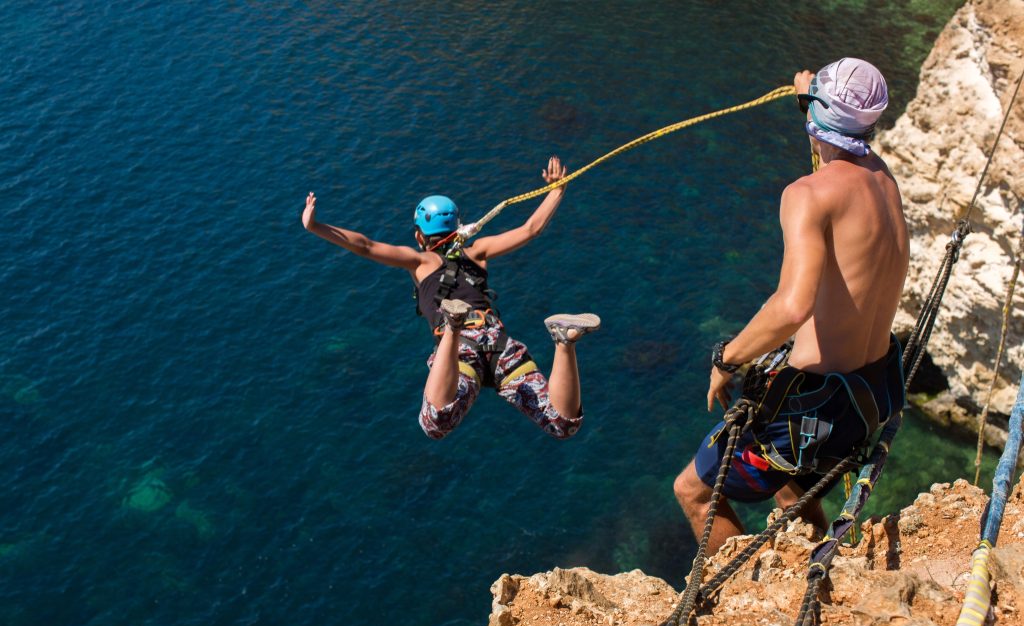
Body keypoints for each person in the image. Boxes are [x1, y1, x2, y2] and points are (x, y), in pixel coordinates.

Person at [672, 58, 910, 556]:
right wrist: (813, 103)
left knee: (692, 491)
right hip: (875, 392)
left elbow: (793, 305)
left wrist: (726, 359)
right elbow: (839, 150)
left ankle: (733, 598)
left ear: (817, 115)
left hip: (814, 413)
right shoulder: (884, 180)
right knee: (787, 478)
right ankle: (816, 544)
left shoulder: (806, 195)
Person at [301, 156, 599, 440]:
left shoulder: (419, 262)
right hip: (497, 340)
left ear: (419, 236)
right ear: (458, 226)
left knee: (435, 423)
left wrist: (315, 226)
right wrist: (557, 190)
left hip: (462, 347)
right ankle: (563, 341)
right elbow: (531, 229)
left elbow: (365, 246)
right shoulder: (478, 252)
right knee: (561, 424)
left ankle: (453, 324)